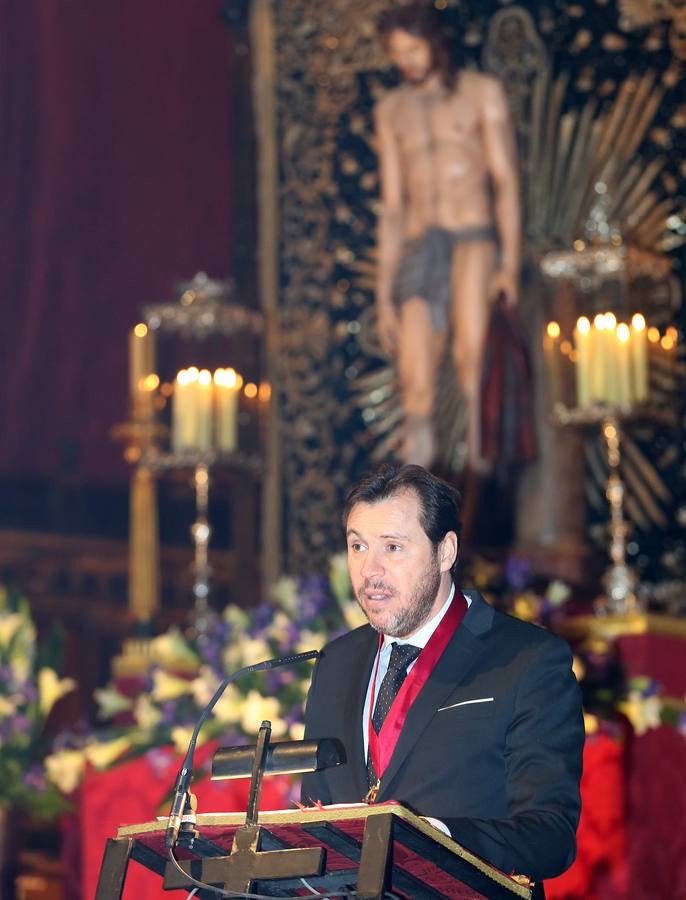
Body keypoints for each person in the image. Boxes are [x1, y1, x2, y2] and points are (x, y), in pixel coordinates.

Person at [301, 464, 583, 892]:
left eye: (392, 547)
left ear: (446, 552)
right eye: (357, 546)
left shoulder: (528, 659)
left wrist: (433, 842)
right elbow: (316, 812)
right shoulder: (336, 662)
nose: (369, 570)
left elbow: (550, 835)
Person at [374, 4, 522, 472]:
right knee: (415, 379)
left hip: (472, 235)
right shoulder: (391, 110)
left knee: (470, 363)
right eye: (398, 54)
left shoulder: (482, 93)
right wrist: (383, 295)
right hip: (421, 246)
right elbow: (393, 206)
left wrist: (510, 264)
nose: (408, 62)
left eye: (414, 49)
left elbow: (506, 182)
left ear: (435, 42)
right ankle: (415, 488)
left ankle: (481, 482)